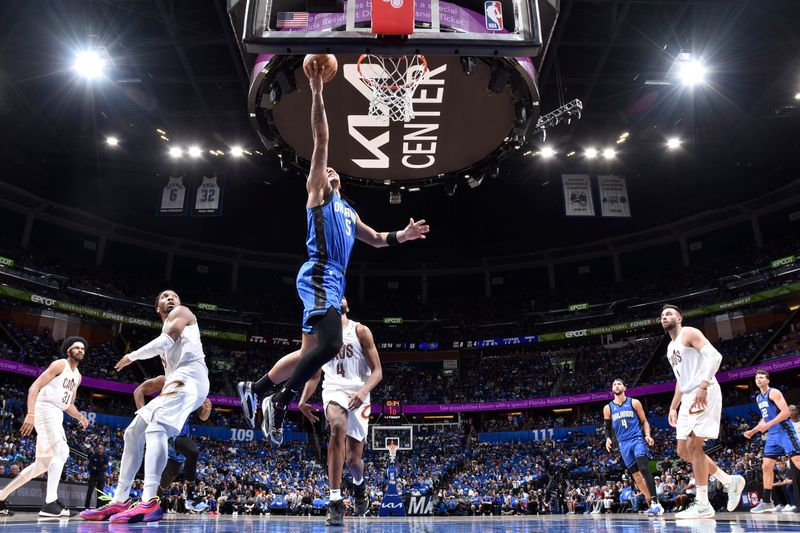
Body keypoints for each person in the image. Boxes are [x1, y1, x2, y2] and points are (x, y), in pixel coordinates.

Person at [237, 57, 429, 445]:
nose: (330, 170)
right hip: (320, 272)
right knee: (331, 344)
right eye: (325, 169)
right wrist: (318, 89)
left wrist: (402, 237)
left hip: (332, 280)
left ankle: (255, 390)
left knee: (308, 352)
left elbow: (375, 238)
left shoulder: (348, 211)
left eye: (332, 170)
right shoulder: (319, 194)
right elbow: (321, 139)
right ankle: (280, 399)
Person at [80, 290, 209, 523]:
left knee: (157, 427)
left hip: (191, 376)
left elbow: (168, 339)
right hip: (180, 380)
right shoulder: (165, 339)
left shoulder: (181, 313)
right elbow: (163, 368)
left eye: (175, 296)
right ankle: (120, 500)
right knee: (133, 432)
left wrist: (133, 355)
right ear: (156, 308)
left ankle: (149, 501)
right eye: (164, 297)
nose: (171, 299)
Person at [296, 298, 382, 525]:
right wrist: (303, 400)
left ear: (347, 306)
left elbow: (378, 372)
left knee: (354, 460)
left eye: (344, 296)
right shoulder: (319, 335)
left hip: (360, 394)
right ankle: (335, 500)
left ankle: (359, 484)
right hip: (334, 390)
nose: (340, 297)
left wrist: (363, 392)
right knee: (336, 427)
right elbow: (314, 374)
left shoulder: (360, 330)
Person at [661, 304, 745, 518]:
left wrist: (703, 386)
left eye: (669, 313)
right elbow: (680, 381)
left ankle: (703, 504)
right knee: (683, 450)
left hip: (704, 391)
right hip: (688, 396)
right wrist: (673, 406)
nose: (664, 317)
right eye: (662, 315)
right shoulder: (670, 348)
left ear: (680, 318)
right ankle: (729, 481)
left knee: (694, 445)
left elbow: (715, 357)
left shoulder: (688, 332)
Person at [0, 337, 89, 517]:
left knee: (40, 465)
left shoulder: (78, 377)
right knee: (62, 451)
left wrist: (80, 416)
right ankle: (49, 503)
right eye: (76, 348)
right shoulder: (59, 365)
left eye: (83, 349)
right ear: (68, 351)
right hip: (45, 408)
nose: (80, 350)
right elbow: (34, 387)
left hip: (57, 412)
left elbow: (68, 404)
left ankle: (1, 497)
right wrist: (30, 414)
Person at [132, 375, 212, 509]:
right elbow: (138, 391)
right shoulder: (166, 379)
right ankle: (191, 497)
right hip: (166, 431)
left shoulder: (196, 389)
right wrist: (144, 415)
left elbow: (203, 417)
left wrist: (207, 410)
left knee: (172, 473)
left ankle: (153, 500)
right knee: (193, 452)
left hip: (181, 432)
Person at [602, 379, 664, 515]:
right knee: (636, 475)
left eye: (619, 384)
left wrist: (647, 435)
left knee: (643, 468)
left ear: (624, 387)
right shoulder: (608, 408)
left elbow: (644, 421)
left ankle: (655, 502)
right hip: (623, 444)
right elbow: (607, 428)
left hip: (637, 439)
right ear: (612, 389)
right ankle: (651, 502)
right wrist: (607, 438)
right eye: (614, 384)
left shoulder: (634, 402)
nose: (616, 386)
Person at [743, 369, 800, 513]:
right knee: (766, 466)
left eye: (762, 377)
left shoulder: (774, 392)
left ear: (768, 380)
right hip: (773, 434)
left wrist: (768, 425)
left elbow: (786, 412)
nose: (759, 380)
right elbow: (765, 418)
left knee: (797, 461)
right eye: (757, 378)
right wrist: (754, 430)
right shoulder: (758, 398)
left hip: (784, 430)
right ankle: (767, 501)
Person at [84, 444, 108, 510]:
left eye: (101, 448)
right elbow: (89, 467)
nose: (100, 450)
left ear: (103, 449)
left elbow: (104, 469)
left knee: (100, 492)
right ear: (97, 449)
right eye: (99, 448)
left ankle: (99, 507)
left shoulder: (105, 457)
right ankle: (86, 507)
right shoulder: (92, 457)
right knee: (90, 491)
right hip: (93, 476)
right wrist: (98, 469)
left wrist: (96, 468)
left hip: (101, 476)